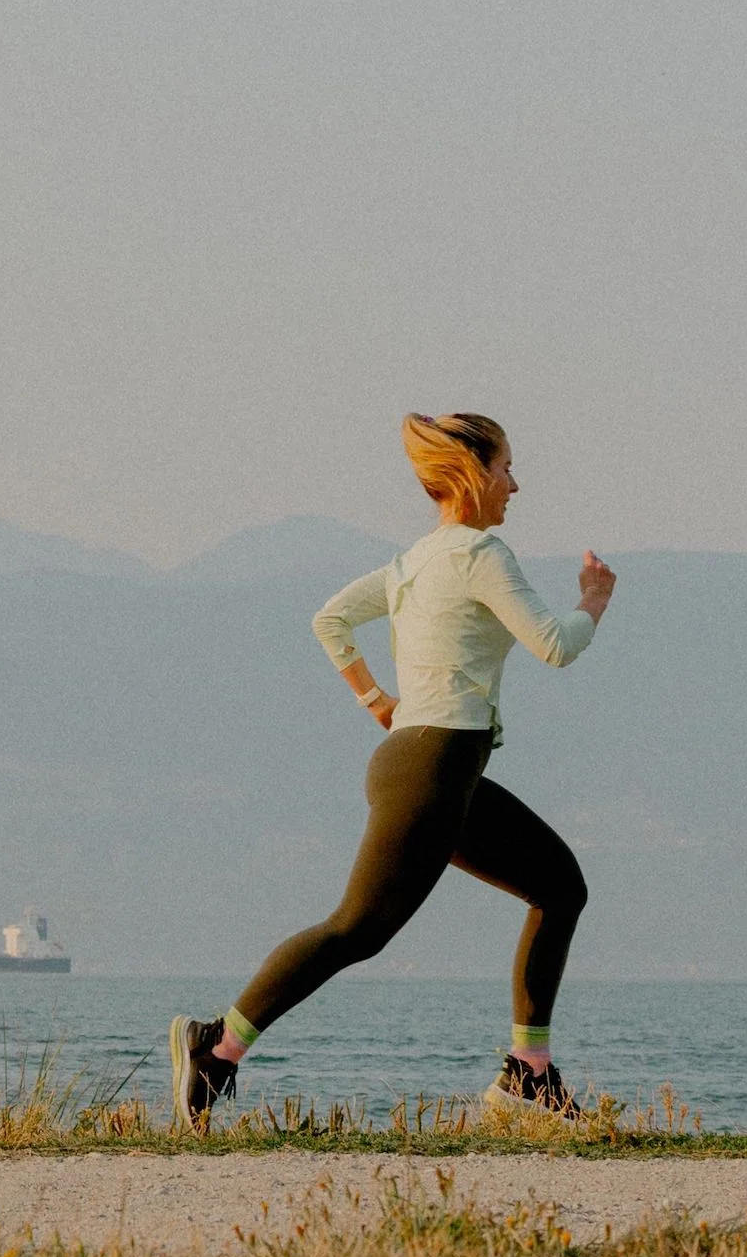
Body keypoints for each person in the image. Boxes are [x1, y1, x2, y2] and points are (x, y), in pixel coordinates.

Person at [169, 413, 617, 1127]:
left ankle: (527, 1075)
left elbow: (330, 621)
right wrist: (593, 600)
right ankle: (215, 1048)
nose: (515, 485)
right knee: (359, 928)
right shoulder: (480, 555)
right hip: (433, 766)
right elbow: (556, 645)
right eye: (507, 469)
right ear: (475, 475)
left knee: (560, 887)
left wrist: (377, 700)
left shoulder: (410, 564)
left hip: (434, 764)